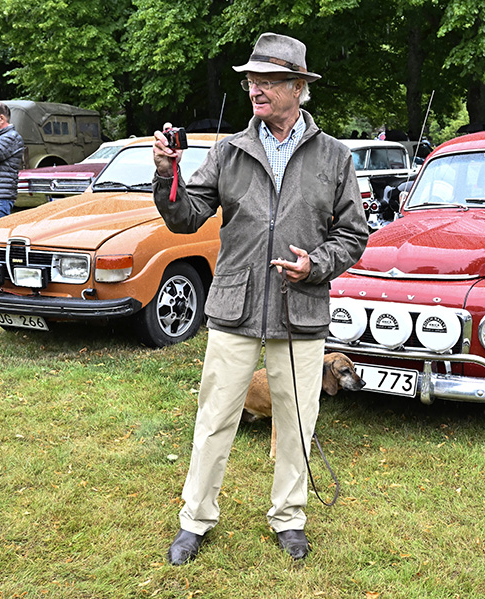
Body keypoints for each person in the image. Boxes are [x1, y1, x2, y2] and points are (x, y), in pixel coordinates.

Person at [152, 32, 368, 565]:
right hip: (234, 308)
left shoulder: (334, 157)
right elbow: (185, 216)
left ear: (299, 88)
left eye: (269, 80)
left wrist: (314, 265)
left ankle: (289, 517)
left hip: (302, 310)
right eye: (252, 80)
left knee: (297, 421)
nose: (256, 89)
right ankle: (195, 518)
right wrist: (165, 173)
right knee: (214, 418)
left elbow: (354, 235)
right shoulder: (228, 151)